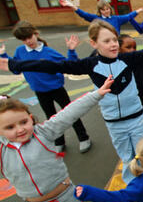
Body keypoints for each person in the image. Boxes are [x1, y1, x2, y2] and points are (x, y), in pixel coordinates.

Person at [0, 20, 143, 184]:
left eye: (114, 40)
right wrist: (14, 65)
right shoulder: (90, 64)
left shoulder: (130, 59)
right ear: (94, 43)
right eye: (106, 41)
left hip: (137, 119)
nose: (112, 44)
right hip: (115, 124)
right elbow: (52, 65)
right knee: (126, 157)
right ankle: (133, 184)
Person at [0, 76, 114, 202]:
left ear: (31, 118)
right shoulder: (2, 151)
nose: (19, 130)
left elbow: (69, 112)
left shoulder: (43, 133)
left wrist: (97, 94)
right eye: (9, 127)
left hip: (65, 196)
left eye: (23, 122)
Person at [0, 21, 91, 153]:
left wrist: (71, 50)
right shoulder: (20, 51)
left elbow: (70, 64)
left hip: (56, 89)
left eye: (29, 37)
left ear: (35, 34)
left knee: (71, 114)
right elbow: (16, 69)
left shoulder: (48, 52)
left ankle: (83, 138)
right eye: (23, 39)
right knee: (51, 118)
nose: (28, 41)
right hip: (40, 91)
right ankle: (59, 141)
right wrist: (3, 55)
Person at [118, 34, 143, 132]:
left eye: (134, 47)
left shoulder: (138, 59)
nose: (132, 50)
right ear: (118, 49)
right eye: (128, 47)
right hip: (127, 102)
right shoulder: (115, 64)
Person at [59, 0, 143, 35]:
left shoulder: (116, 19)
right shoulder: (96, 18)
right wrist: (71, 5)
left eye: (107, 9)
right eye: (103, 10)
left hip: (115, 43)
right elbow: (83, 14)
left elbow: (128, 16)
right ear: (100, 11)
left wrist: (139, 10)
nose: (106, 11)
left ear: (110, 9)